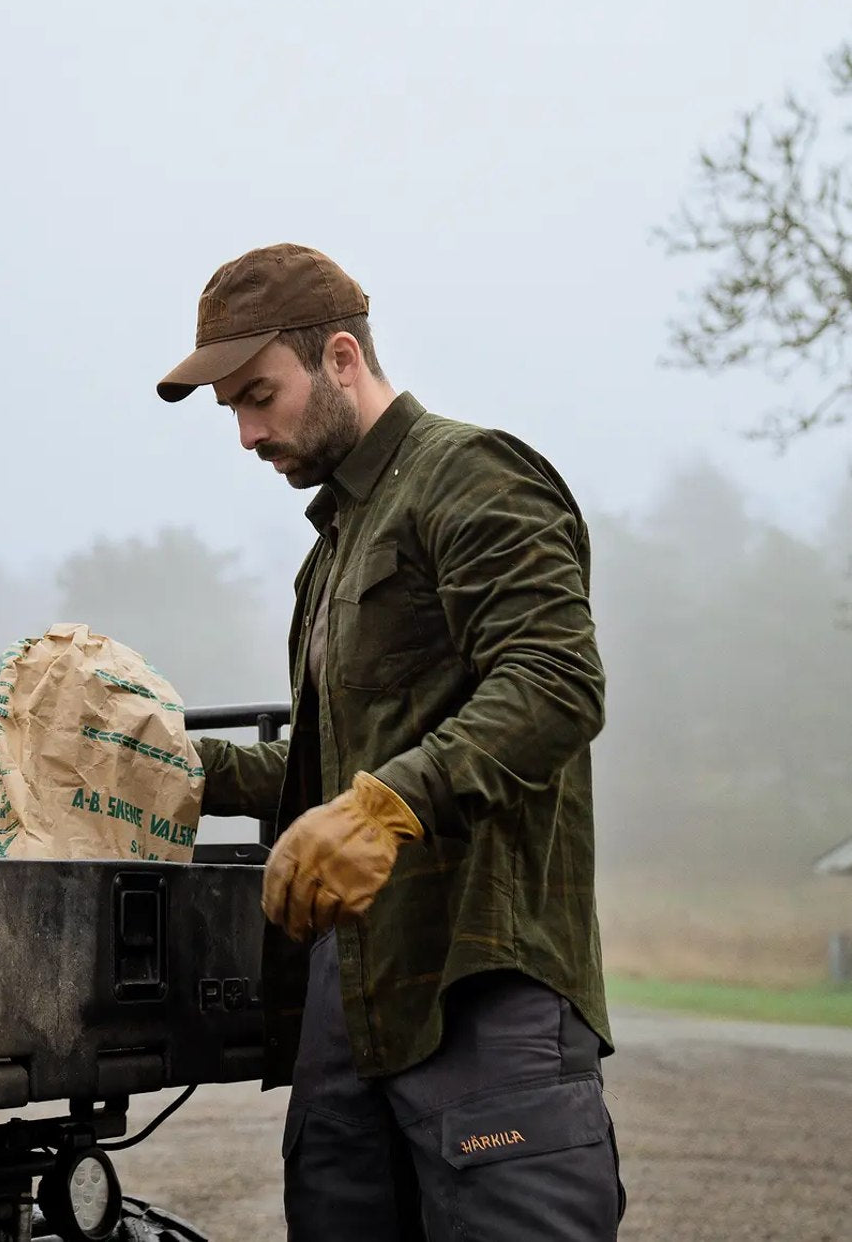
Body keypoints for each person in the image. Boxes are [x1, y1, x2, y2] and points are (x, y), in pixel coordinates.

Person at [157, 243, 626, 1240]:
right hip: (348, 1017)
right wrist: (171, 764)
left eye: (259, 395)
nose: (246, 433)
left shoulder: (472, 476)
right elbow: (337, 772)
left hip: (478, 989)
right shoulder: (330, 556)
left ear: (339, 357)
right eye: (230, 410)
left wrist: (389, 804)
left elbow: (553, 678)